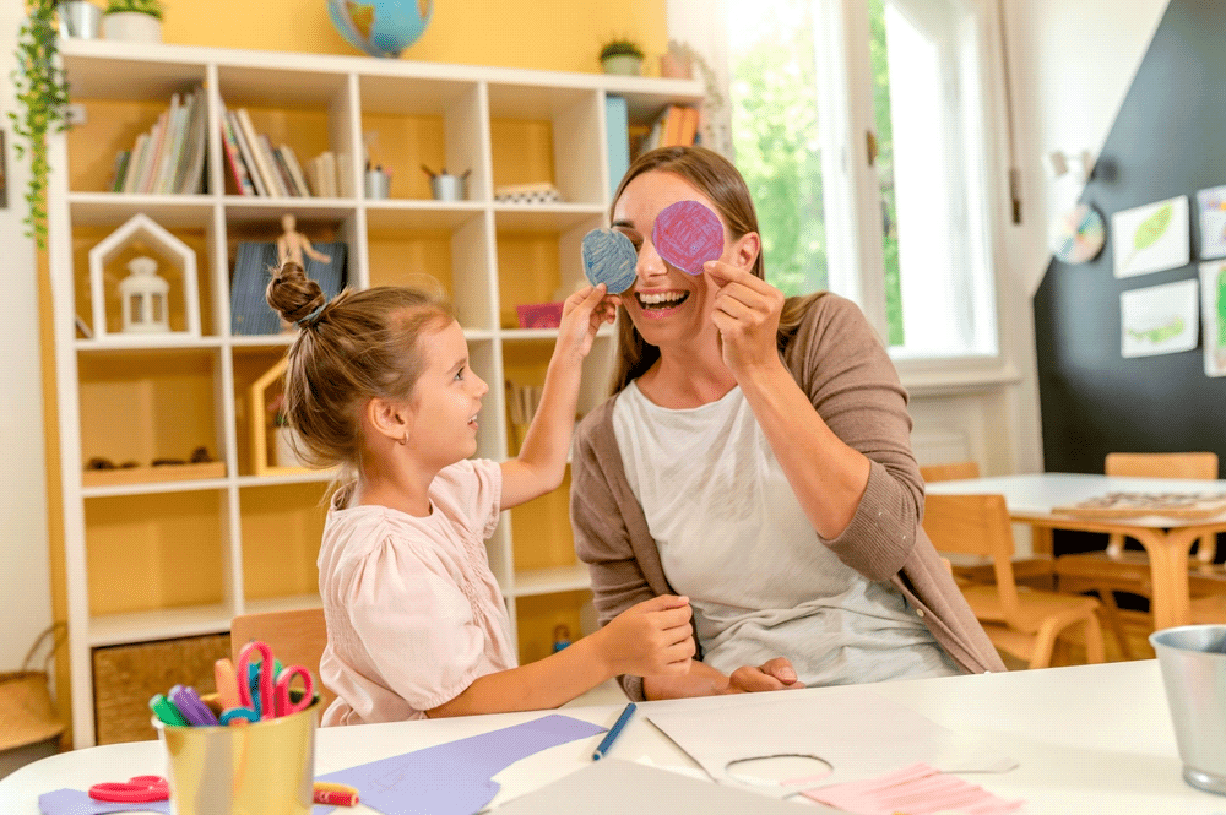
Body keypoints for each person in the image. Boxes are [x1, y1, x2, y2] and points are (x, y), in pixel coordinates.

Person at [570, 146, 1007, 703]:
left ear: (744, 253)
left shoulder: (826, 335)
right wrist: (723, 688)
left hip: (902, 674)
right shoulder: (606, 441)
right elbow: (635, 649)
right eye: (629, 244)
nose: (650, 268)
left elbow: (885, 542)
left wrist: (758, 370)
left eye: (677, 236)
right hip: (743, 710)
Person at [265, 262, 694, 725]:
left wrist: (569, 350)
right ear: (391, 417)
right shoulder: (386, 556)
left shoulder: (442, 489)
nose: (480, 386)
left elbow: (539, 469)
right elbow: (459, 704)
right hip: (417, 773)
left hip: (468, 749)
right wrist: (606, 655)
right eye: (457, 375)